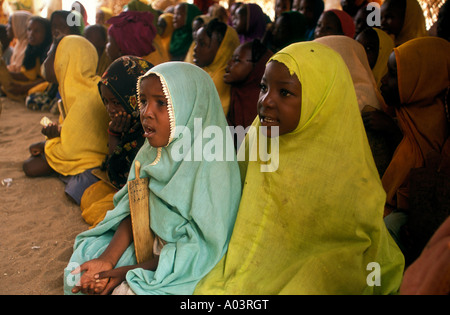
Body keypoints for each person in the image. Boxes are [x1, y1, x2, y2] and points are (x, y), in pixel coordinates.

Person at [194, 41, 404, 295]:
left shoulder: (345, 163)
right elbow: (232, 203)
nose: (266, 101)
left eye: (284, 93)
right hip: (251, 255)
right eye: (263, 87)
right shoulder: (259, 136)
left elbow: (349, 240)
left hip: (319, 265)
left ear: (320, 99)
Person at [64, 62, 241, 295]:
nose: (146, 112)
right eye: (144, 101)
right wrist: (107, 261)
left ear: (191, 107)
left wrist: (124, 273)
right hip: (146, 247)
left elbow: (200, 252)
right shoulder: (150, 154)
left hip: (185, 264)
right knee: (78, 274)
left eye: (161, 103)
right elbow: (135, 212)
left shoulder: (214, 169)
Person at [375, 38, 449, 256]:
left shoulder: (436, 126)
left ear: (423, 80)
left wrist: (393, 133)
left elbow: (422, 180)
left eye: (394, 74)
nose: (383, 80)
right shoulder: (402, 114)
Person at [22, 35, 110, 206]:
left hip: (93, 161)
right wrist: (54, 136)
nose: (46, 61)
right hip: (75, 150)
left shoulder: (90, 94)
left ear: (65, 61)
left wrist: (51, 142)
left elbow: (74, 149)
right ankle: (64, 168)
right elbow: (75, 131)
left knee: (76, 192)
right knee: (30, 165)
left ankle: (66, 170)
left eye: (50, 56)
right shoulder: (71, 90)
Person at [80, 56, 153, 229]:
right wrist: (114, 134)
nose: (110, 109)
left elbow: (126, 179)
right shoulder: (130, 123)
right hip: (126, 187)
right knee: (89, 196)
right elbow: (114, 171)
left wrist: (116, 137)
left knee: (102, 210)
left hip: (146, 194)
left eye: (116, 102)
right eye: (105, 102)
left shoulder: (152, 127)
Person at [225, 39, 273, 149]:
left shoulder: (260, 102)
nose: (229, 64)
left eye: (236, 60)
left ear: (256, 66)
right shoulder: (236, 92)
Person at [193, 18, 240, 116]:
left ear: (222, 49)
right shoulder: (208, 73)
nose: (195, 49)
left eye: (202, 44)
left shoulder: (219, 81)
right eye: (196, 43)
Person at [1, 16, 52, 101]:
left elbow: (47, 80)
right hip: (36, 82)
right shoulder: (32, 49)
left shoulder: (49, 51)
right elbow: (28, 76)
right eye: (29, 29)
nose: (31, 34)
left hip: (48, 84)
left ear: (46, 33)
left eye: (37, 31)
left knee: (33, 91)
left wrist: (23, 88)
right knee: (5, 87)